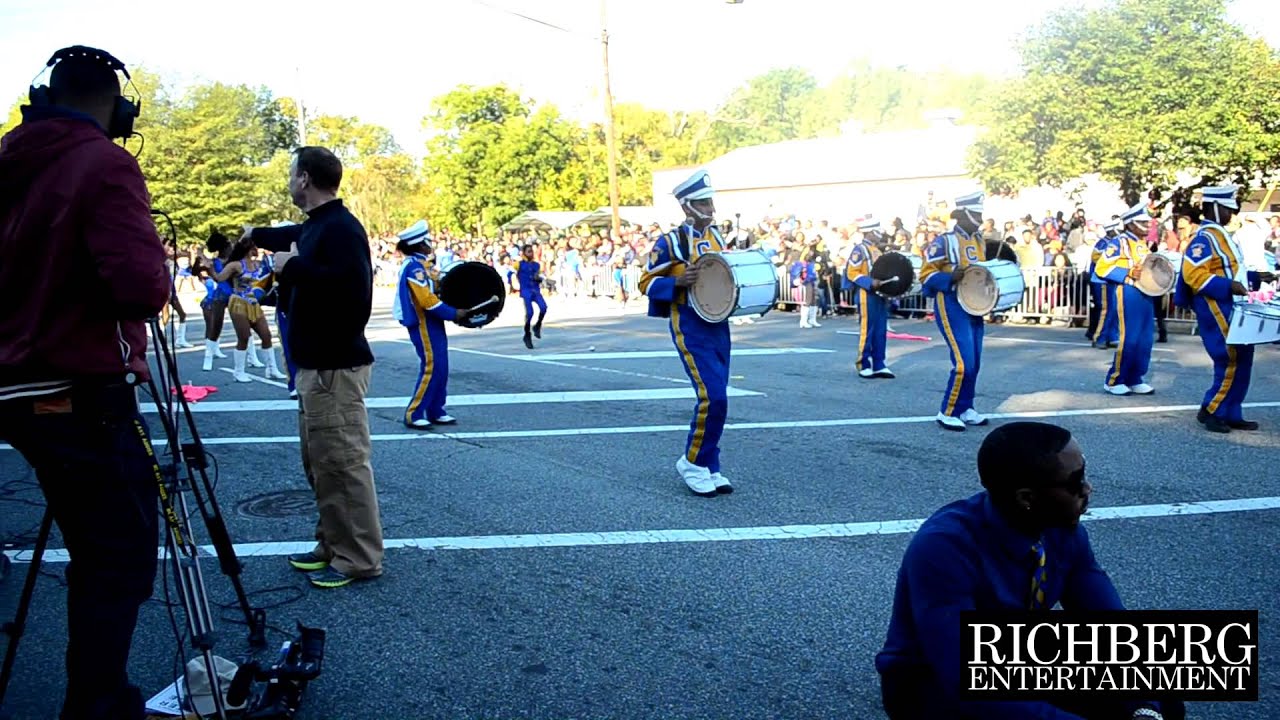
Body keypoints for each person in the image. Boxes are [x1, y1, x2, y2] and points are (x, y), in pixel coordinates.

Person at [0, 45, 169, 720]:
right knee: (119, 553)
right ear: (115, 107)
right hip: (77, 387)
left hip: (12, 384)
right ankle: (98, 704)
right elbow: (139, 289)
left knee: (95, 538)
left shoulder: (8, 156)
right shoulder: (105, 163)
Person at [876, 422, 1184, 720]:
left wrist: (1143, 709)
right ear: (1027, 498)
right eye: (1075, 482)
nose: (1088, 488)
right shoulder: (945, 546)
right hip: (932, 679)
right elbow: (964, 681)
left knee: (1160, 695)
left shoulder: (1063, 530)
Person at [243, 146, 381, 589]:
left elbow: (354, 293)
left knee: (343, 464)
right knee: (321, 463)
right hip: (315, 367)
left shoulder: (339, 229)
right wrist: (253, 235)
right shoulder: (317, 227)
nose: (288, 182)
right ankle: (333, 542)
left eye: (290, 174)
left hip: (334, 367)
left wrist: (296, 268)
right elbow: (283, 236)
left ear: (304, 178)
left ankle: (358, 557)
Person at [638, 169, 733, 497]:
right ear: (687, 207)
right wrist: (676, 282)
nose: (711, 208)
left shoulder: (717, 236)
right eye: (704, 203)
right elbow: (645, 282)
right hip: (690, 325)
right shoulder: (670, 242)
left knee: (721, 399)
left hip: (719, 323)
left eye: (710, 202)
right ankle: (692, 461)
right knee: (713, 397)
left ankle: (709, 464)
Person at [1175, 185, 1258, 433]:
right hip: (1215, 304)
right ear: (1213, 207)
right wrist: (1228, 286)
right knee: (1229, 357)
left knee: (1244, 357)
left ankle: (1232, 411)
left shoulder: (1221, 235)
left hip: (1231, 304)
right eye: (1227, 209)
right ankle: (1212, 409)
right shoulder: (1205, 238)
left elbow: (1230, 268)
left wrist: (1253, 277)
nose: (1231, 214)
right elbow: (1193, 273)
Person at [919, 191, 989, 431]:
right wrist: (950, 276)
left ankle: (966, 407)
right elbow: (925, 275)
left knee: (976, 361)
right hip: (951, 304)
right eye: (976, 213)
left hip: (975, 305)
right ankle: (947, 410)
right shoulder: (944, 241)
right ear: (964, 214)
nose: (980, 217)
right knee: (963, 363)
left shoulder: (979, 240)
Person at [393, 219, 471, 428]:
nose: (430, 244)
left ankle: (436, 409)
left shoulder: (422, 266)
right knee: (432, 367)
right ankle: (414, 413)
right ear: (420, 244)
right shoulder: (414, 269)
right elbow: (426, 300)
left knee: (441, 367)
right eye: (428, 241)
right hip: (422, 322)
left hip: (432, 322)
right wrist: (454, 313)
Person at [1097, 203, 1156, 396]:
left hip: (1146, 292)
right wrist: (1129, 273)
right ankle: (1115, 379)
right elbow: (1102, 268)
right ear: (1130, 224)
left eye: (1148, 223)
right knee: (1130, 338)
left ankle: (1135, 377)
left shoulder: (1142, 244)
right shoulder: (1119, 242)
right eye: (1142, 223)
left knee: (1145, 338)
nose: (1147, 226)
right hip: (1128, 291)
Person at [843, 217, 894, 379]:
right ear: (871, 232)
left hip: (880, 294)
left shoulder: (876, 250)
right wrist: (869, 282)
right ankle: (863, 363)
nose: (879, 235)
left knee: (880, 330)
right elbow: (852, 272)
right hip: (867, 294)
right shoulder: (860, 250)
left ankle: (879, 363)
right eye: (877, 231)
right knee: (868, 330)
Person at [196, 232, 233, 372]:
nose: (231, 246)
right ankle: (208, 358)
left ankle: (252, 357)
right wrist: (200, 259)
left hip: (234, 295)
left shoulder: (233, 260)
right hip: (220, 296)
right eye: (229, 245)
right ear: (224, 247)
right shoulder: (214, 262)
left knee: (245, 327)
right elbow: (197, 271)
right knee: (215, 328)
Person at [1086, 220, 1121, 349]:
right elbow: (1095, 257)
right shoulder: (1104, 243)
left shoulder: (1115, 243)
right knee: (1106, 310)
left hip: (1111, 280)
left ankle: (1112, 336)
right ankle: (1099, 337)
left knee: (1114, 310)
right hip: (1102, 281)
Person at [516, 243, 548, 348]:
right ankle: (527, 334)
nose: (531, 253)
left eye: (531, 251)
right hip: (526, 291)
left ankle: (537, 325)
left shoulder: (536, 265)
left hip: (535, 290)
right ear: (524, 253)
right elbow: (511, 273)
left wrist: (540, 279)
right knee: (530, 313)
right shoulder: (519, 264)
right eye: (528, 251)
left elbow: (537, 276)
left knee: (543, 307)